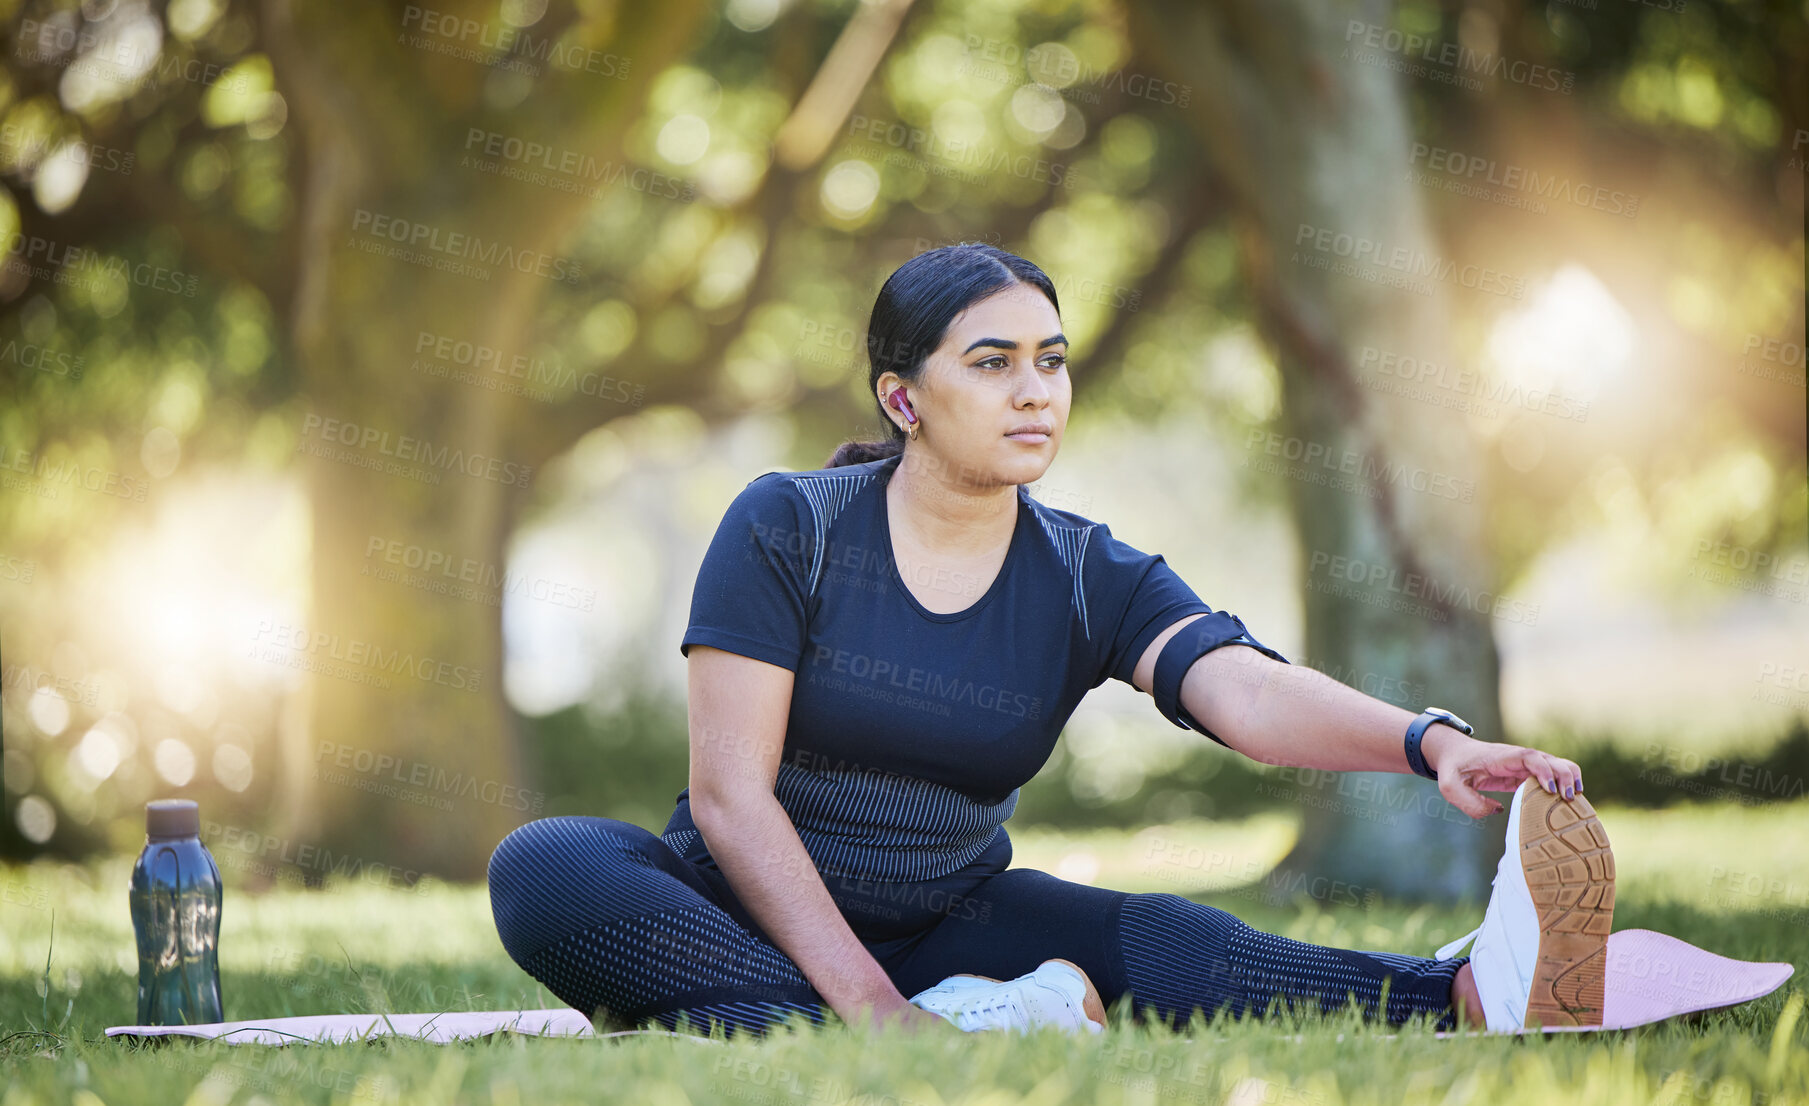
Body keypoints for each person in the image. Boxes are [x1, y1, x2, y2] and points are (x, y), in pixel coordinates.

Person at [486, 243, 1609, 1040]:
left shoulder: (1085, 570)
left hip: (950, 918)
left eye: (1053, 359)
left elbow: (1252, 698)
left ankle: (1452, 995)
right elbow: (730, 798)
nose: (1037, 392)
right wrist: (872, 1011)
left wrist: (1433, 744)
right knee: (545, 862)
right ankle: (876, 1013)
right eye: (992, 363)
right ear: (904, 397)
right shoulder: (790, 523)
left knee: (1160, 934)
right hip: (724, 909)